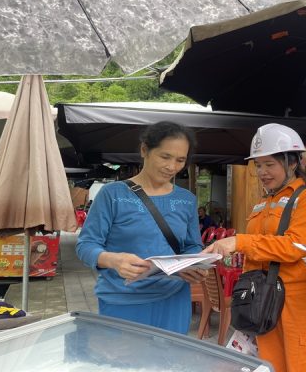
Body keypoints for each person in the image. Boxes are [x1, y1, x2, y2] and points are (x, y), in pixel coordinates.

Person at [202, 123, 306, 372]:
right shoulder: (262, 202)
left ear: (293, 162)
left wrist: (239, 242)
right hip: (262, 300)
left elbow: (295, 246)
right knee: (268, 366)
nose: (262, 172)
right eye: (258, 165)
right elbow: (258, 247)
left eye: (270, 164)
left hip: (297, 304)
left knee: (302, 365)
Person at [76, 121, 207, 334]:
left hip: (174, 299)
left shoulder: (187, 200)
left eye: (180, 160)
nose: (172, 167)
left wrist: (194, 265)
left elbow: (192, 246)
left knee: (169, 365)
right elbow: (86, 245)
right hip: (123, 300)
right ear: (144, 150)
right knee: (126, 366)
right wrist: (113, 260)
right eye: (165, 157)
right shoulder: (113, 194)